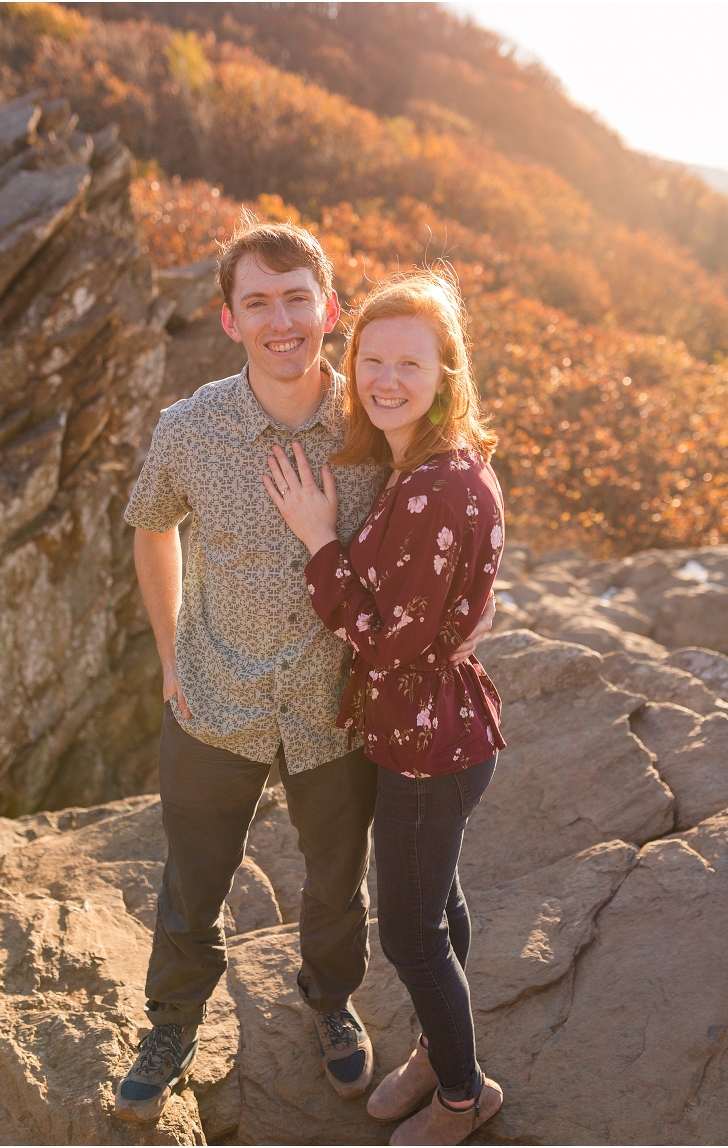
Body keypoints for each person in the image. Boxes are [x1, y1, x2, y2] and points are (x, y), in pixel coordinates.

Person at [115, 216, 495, 1123]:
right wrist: (171, 653)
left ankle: (330, 1002)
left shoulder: (374, 421)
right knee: (194, 876)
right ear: (229, 318)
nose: (280, 320)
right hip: (216, 697)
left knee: (336, 878)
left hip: (334, 708)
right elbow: (150, 525)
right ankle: (171, 1021)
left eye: (297, 299)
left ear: (329, 308)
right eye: (258, 303)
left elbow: (432, 530)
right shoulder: (190, 428)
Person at [264, 269, 506, 1146]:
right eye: (372, 358)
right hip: (440, 730)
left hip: (425, 744)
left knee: (409, 932)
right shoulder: (430, 465)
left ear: (448, 371)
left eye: (411, 361)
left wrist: (319, 540)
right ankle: (439, 1055)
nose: (385, 378)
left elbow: (390, 643)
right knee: (434, 902)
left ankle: (461, 1095)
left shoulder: (439, 485)